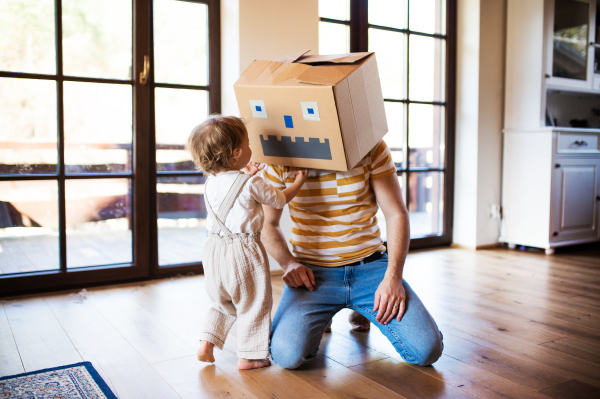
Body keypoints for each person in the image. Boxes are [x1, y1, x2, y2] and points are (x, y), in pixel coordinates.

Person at [261, 140, 443, 369]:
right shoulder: (279, 157)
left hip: (370, 267)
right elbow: (268, 223)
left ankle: (360, 310)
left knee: (427, 350)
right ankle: (328, 314)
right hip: (313, 275)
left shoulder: (370, 145)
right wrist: (287, 264)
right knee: (287, 356)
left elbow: (396, 213)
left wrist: (393, 277)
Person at [186, 115, 308, 370]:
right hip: (243, 252)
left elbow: (233, 194)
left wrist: (245, 173)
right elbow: (279, 199)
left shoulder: (210, 184)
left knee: (222, 301)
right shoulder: (252, 182)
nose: (251, 148)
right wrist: (298, 182)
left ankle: (206, 343)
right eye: (248, 143)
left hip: (213, 251)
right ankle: (250, 356)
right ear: (237, 152)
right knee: (255, 302)